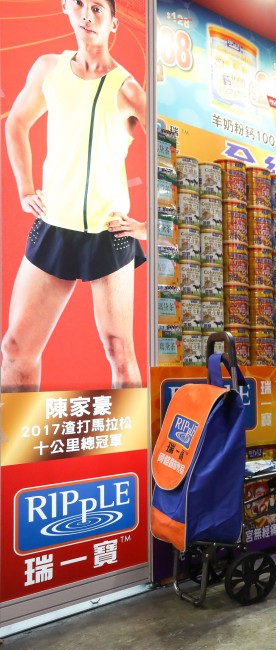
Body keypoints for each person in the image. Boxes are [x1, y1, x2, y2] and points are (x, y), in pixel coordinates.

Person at [2, 0, 146, 393]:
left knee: (119, 351)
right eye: (80, 4)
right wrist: (25, 188)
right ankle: (15, 431)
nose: (87, 14)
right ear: (66, 7)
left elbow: (171, 155)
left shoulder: (128, 89)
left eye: (98, 8)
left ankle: (130, 434)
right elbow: (16, 123)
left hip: (109, 234)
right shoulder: (48, 69)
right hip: (55, 226)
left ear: (113, 23)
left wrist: (148, 227)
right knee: (15, 348)